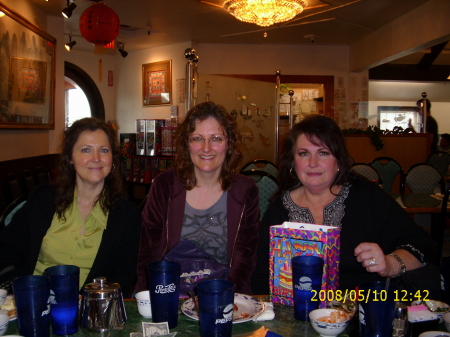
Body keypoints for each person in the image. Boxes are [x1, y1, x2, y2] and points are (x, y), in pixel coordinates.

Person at [252, 114, 440, 297]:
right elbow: (262, 276)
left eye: (323, 153)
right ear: (293, 162)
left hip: (361, 311)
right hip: (296, 314)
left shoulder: (366, 196)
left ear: (339, 161)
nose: (313, 163)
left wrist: (390, 264)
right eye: (303, 154)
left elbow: (423, 246)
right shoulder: (278, 210)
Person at [0, 118, 141, 295]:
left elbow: (123, 276)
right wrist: (18, 290)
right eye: (85, 150)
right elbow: (6, 249)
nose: (96, 158)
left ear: (112, 160)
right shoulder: (43, 199)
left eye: (104, 150)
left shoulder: (128, 216)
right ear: (70, 158)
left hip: (89, 312)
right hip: (32, 304)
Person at [136, 101, 260, 294]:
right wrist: (153, 296)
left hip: (223, 294)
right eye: (197, 138)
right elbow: (148, 254)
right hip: (169, 292)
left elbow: (245, 259)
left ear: (229, 143)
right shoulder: (164, 186)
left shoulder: (245, 190)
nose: (206, 148)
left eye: (216, 138)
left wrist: (229, 299)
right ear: (187, 143)